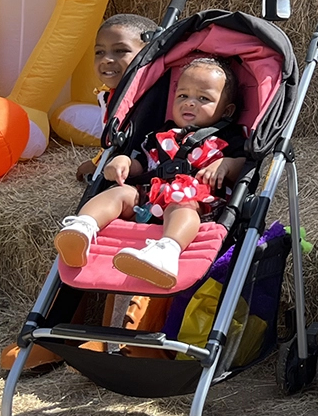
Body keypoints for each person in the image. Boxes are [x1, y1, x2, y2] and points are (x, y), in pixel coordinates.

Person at [56, 55, 247, 287]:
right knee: (120, 193)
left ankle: (166, 251)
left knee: (181, 204)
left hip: (195, 203)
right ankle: (83, 227)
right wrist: (124, 162)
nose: (189, 102)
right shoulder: (160, 134)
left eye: (203, 98)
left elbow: (243, 168)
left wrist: (226, 164)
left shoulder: (228, 136)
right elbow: (144, 165)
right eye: (183, 95)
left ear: (226, 111)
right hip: (148, 199)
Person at [75, 13, 159, 181]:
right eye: (99, 52)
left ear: (150, 53)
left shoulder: (156, 95)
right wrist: (98, 162)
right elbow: (114, 139)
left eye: (121, 51)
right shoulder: (108, 95)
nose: (106, 59)